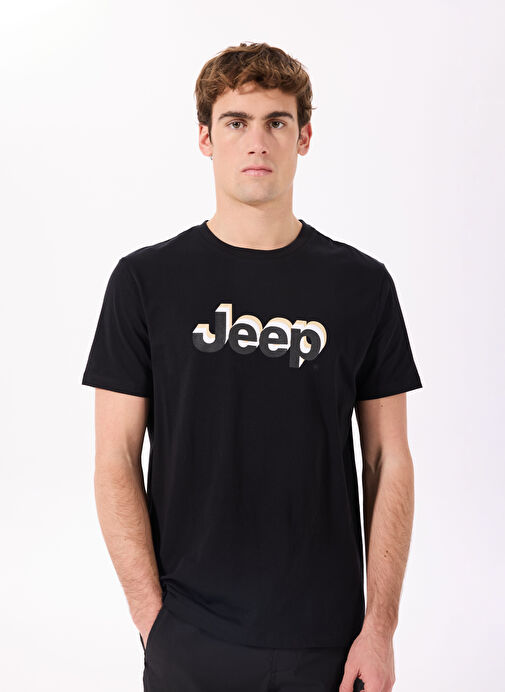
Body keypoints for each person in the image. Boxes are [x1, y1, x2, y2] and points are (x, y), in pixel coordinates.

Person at [82, 41, 423, 692]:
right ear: (205, 138)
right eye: (236, 122)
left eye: (277, 122)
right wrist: (152, 621)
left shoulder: (362, 285)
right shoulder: (145, 282)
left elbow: (388, 460)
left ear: (304, 137)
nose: (257, 142)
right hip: (189, 634)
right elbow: (114, 459)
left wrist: (379, 629)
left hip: (329, 641)